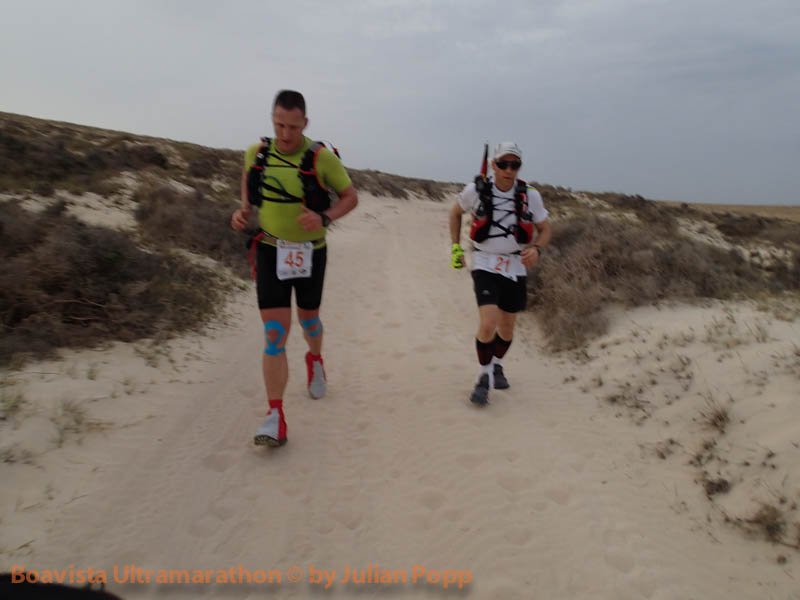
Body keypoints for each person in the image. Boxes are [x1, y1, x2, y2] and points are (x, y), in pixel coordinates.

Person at [230, 90, 358, 446]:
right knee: (274, 333)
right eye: (279, 125)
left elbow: (351, 197)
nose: (285, 134)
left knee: (309, 321)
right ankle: (275, 416)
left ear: (305, 123)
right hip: (270, 250)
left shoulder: (321, 158)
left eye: (293, 127)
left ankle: (315, 358)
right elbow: (247, 183)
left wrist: (324, 217)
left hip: (309, 252)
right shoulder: (257, 153)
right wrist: (243, 211)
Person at [449, 142, 551, 406]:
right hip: (484, 261)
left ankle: (496, 364)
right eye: (503, 164)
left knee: (507, 328)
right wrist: (455, 248)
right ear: (494, 165)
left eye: (514, 164)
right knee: (488, 323)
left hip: (515, 265)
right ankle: (483, 378)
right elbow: (455, 212)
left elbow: (545, 229)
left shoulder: (530, 195)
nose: (509, 169)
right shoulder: (477, 190)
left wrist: (537, 249)